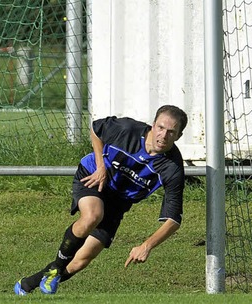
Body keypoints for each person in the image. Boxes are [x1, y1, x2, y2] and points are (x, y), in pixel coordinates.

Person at [14, 105, 188, 295]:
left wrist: (146, 246)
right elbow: (96, 129)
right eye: (161, 128)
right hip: (94, 177)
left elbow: (173, 220)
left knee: (81, 260)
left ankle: (28, 284)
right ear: (153, 125)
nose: (163, 135)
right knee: (92, 216)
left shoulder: (172, 168)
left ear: (178, 136)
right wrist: (100, 167)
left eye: (171, 132)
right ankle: (55, 268)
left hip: (118, 202)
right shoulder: (127, 130)